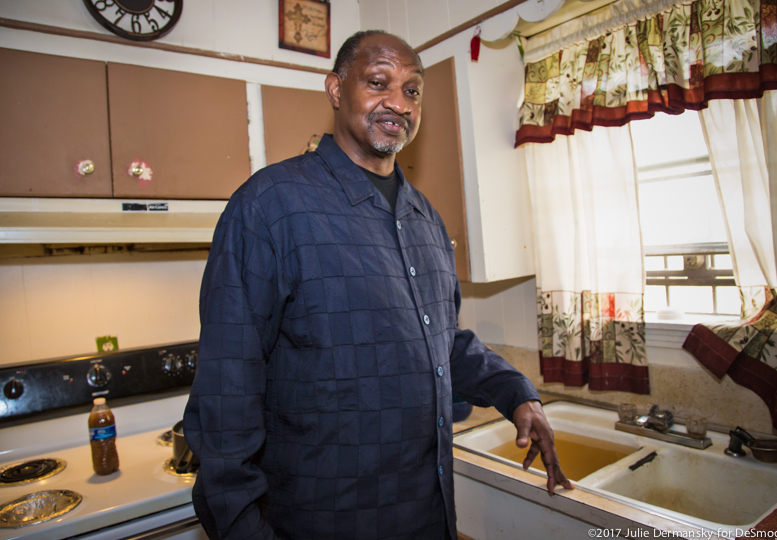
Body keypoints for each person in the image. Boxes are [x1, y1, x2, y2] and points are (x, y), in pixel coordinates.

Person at [183, 30, 572, 540]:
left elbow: (441, 344)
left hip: (426, 516)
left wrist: (517, 394)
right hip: (321, 521)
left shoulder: (426, 218)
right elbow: (226, 392)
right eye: (377, 82)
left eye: (412, 90)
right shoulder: (269, 207)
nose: (398, 103)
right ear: (336, 89)